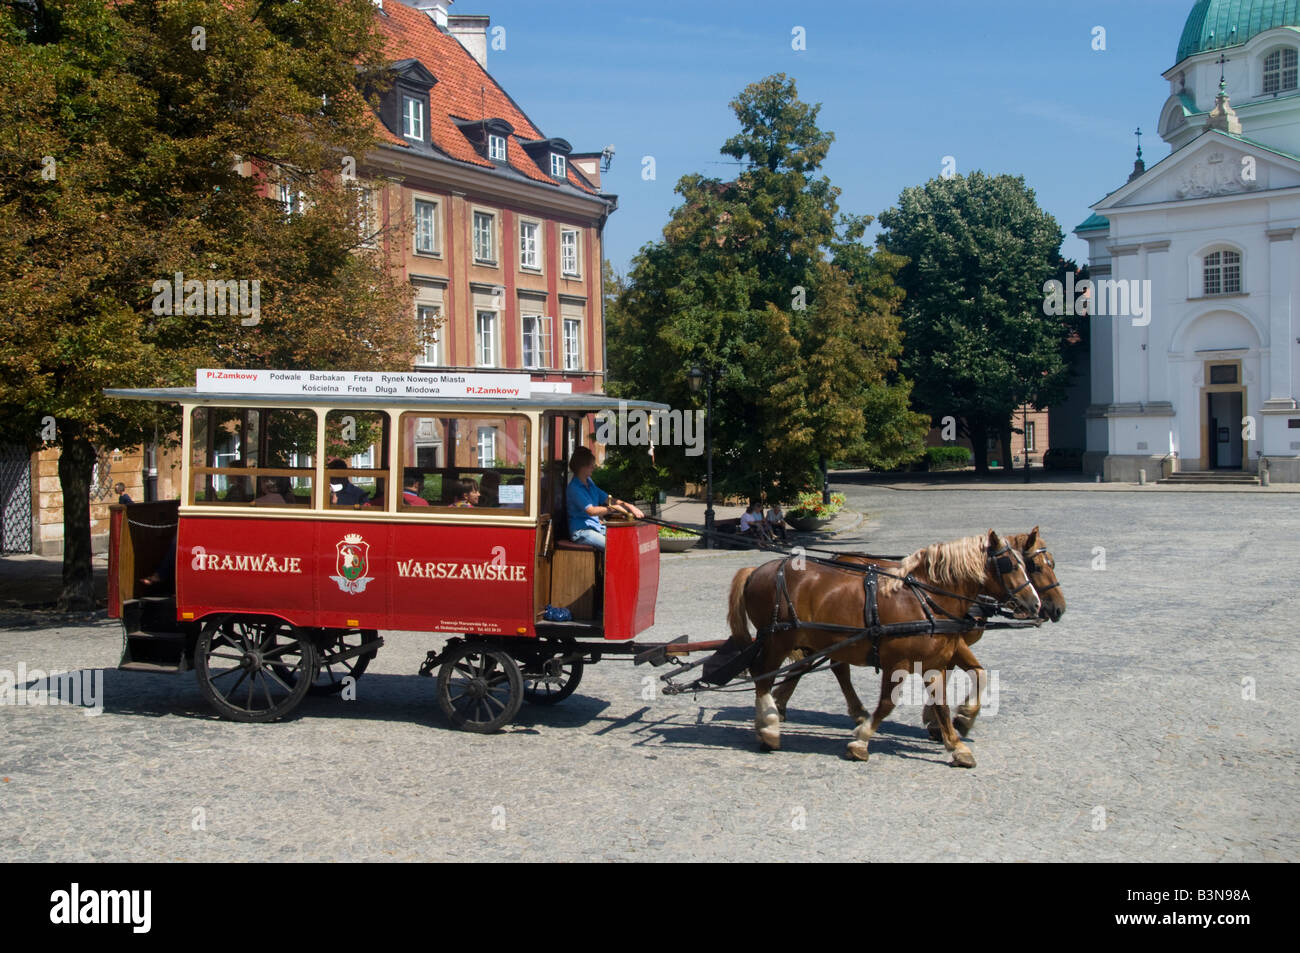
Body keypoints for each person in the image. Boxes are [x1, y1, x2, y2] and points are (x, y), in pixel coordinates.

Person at [566, 447, 643, 550]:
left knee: (624, 539)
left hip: (596, 527)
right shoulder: (574, 488)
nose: (594, 467)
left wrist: (630, 506)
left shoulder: (590, 484)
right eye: (591, 465)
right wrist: (612, 508)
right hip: (582, 531)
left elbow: (610, 499)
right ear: (582, 467)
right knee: (613, 547)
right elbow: (591, 511)